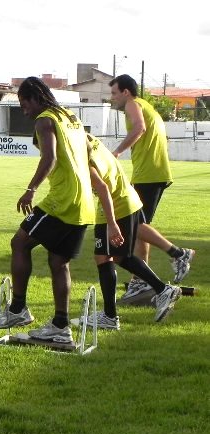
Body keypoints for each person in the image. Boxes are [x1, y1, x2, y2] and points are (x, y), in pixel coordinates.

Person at [0, 77, 95, 343]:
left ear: (36, 97)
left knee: (19, 242)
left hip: (62, 201)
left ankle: (17, 309)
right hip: (84, 202)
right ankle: (61, 325)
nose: (23, 109)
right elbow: (88, 151)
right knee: (59, 261)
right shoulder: (70, 117)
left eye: (24, 103)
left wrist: (31, 188)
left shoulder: (45, 120)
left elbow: (49, 158)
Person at [70, 134, 182, 329]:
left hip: (116, 206)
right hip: (127, 199)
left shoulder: (82, 158)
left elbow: (103, 189)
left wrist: (112, 224)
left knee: (104, 257)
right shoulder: (91, 141)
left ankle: (112, 316)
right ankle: (160, 291)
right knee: (117, 256)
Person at [110, 74, 194, 303]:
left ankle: (178, 253)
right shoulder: (146, 105)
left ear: (126, 92)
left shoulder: (132, 104)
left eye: (114, 92)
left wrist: (117, 152)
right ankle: (140, 280)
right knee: (140, 226)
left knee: (133, 224)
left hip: (149, 174)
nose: (112, 98)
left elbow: (139, 128)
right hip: (153, 172)